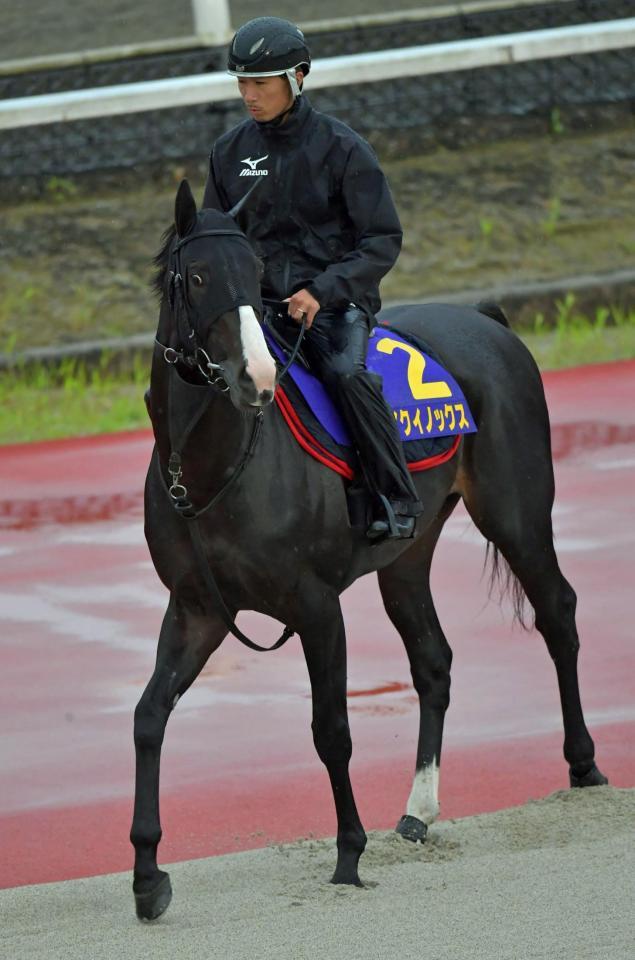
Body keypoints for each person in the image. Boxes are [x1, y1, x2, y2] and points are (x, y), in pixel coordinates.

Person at [203, 16, 423, 540]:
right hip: (257, 310)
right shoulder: (228, 153)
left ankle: (394, 496)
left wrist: (322, 292)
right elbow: (216, 241)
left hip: (334, 307)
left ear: (298, 77)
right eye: (241, 82)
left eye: (261, 82)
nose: (247, 95)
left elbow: (382, 241)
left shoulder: (344, 149)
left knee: (347, 374)